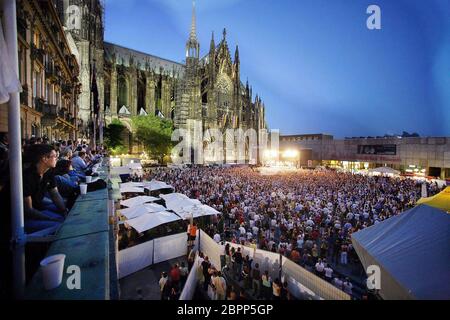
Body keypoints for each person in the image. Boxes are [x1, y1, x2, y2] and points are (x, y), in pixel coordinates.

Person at [22, 145, 67, 235]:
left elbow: (55, 194)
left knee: (65, 220)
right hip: (23, 220)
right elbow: (28, 210)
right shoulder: (27, 177)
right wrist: (50, 218)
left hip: (37, 210)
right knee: (61, 226)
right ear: (44, 159)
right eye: (55, 156)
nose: (57, 159)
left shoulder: (48, 172)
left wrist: (64, 211)